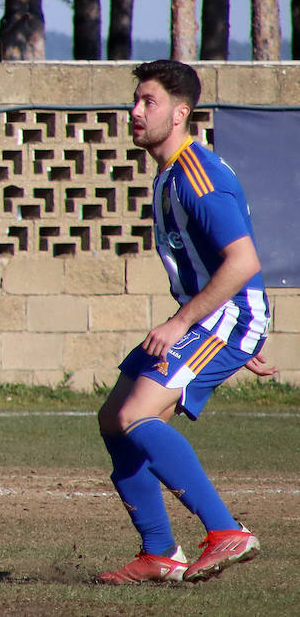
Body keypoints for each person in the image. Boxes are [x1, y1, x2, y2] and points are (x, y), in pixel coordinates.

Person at [96, 59, 276, 585]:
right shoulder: (170, 173)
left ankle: (226, 532)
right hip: (219, 317)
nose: (134, 111)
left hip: (222, 316)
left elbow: (242, 263)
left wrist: (190, 325)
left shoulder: (198, 175)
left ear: (180, 113)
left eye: (147, 102)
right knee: (114, 419)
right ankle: (159, 553)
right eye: (135, 100)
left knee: (136, 415)